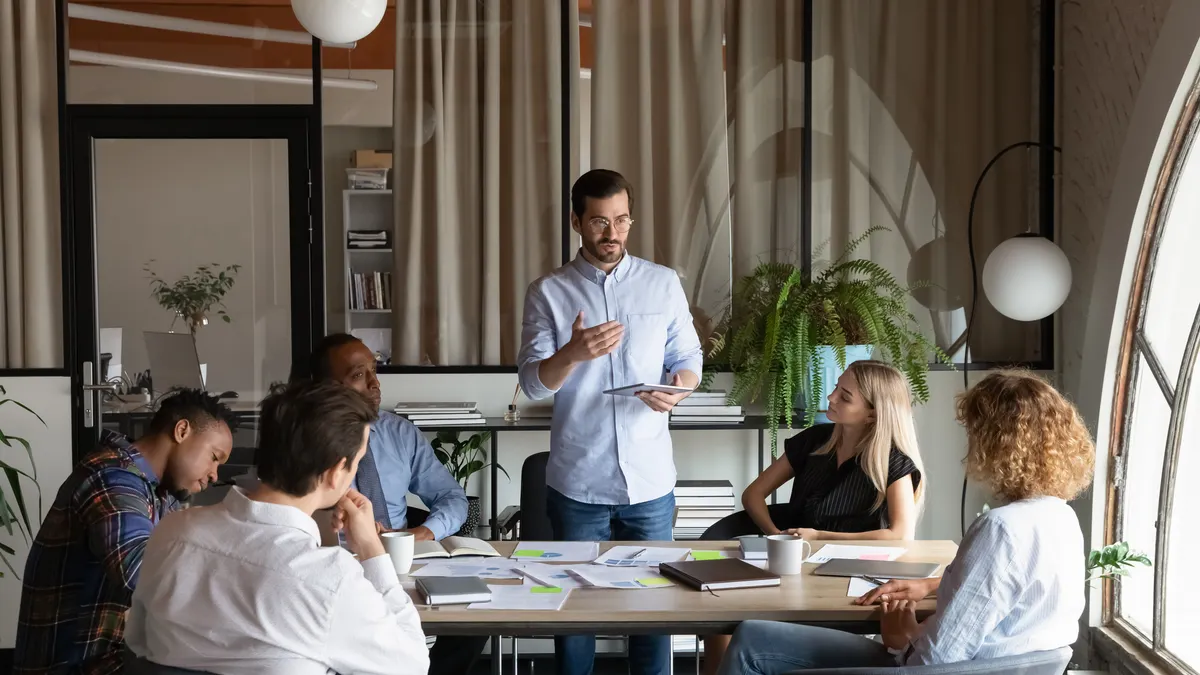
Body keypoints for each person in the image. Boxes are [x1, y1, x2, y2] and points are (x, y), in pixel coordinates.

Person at [716, 369, 1096, 674]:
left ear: (998, 444)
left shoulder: (999, 528)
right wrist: (933, 585)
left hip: (923, 667)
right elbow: (1004, 592)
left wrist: (900, 637)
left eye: (974, 432)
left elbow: (934, 661)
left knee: (750, 640)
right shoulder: (1060, 517)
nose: (970, 442)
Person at [518, 168, 704, 675]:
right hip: (580, 479)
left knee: (654, 613)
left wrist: (678, 390)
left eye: (621, 220)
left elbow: (689, 356)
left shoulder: (662, 284)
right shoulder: (548, 292)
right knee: (574, 615)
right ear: (577, 221)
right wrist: (572, 353)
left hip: (649, 480)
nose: (612, 234)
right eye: (599, 222)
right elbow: (534, 383)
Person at [124, 379, 430, 675]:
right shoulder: (330, 581)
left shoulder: (171, 532)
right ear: (337, 472)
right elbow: (413, 663)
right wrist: (371, 549)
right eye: (357, 462)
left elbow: (138, 641)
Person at [701, 359, 926, 675]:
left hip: (846, 576)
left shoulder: (892, 461)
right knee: (719, 614)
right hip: (791, 566)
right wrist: (775, 535)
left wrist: (820, 537)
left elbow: (900, 535)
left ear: (873, 413)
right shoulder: (814, 441)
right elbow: (753, 494)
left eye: (845, 396)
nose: (831, 398)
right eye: (836, 388)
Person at [14, 389, 234, 675]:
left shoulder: (158, 491)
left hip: (111, 656)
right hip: (76, 665)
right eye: (214, 457)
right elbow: (140, 572)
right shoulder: (112, 478)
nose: (214, 474)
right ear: (182, 431)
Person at [304, 332, 485, 674]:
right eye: (359, 375)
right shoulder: (306, 442)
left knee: (472, 618)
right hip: (336, 566)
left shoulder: (400, 433)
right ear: (326, 387)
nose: (375, 384)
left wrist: (425, 533)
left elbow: (452, 498)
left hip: (402, 563)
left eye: (374, 371)